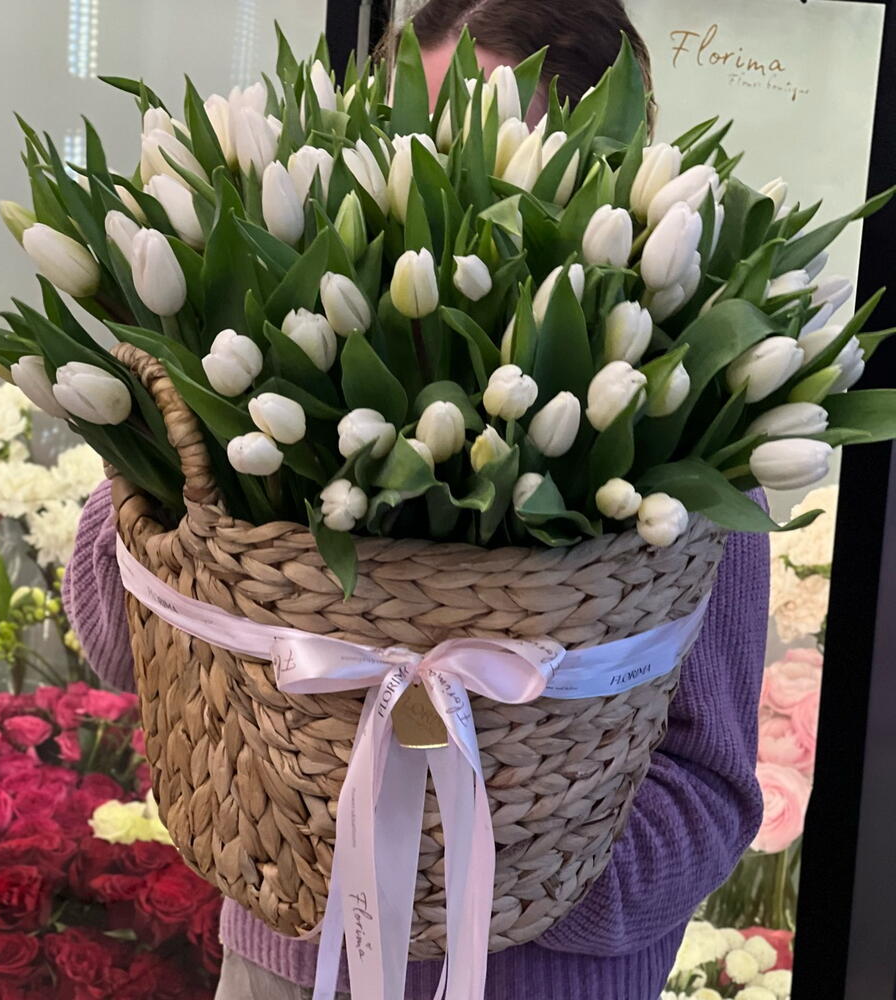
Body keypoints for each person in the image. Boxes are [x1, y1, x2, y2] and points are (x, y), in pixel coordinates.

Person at [63, 2, 768, 997]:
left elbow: (707, 798)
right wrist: (155, 428)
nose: (446, 188)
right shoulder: (293, 353)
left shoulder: (681, 430)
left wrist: (478, 880)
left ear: (607, 171)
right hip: (289, 965)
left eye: (500, 153)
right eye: (418, 141)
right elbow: (123, 648)